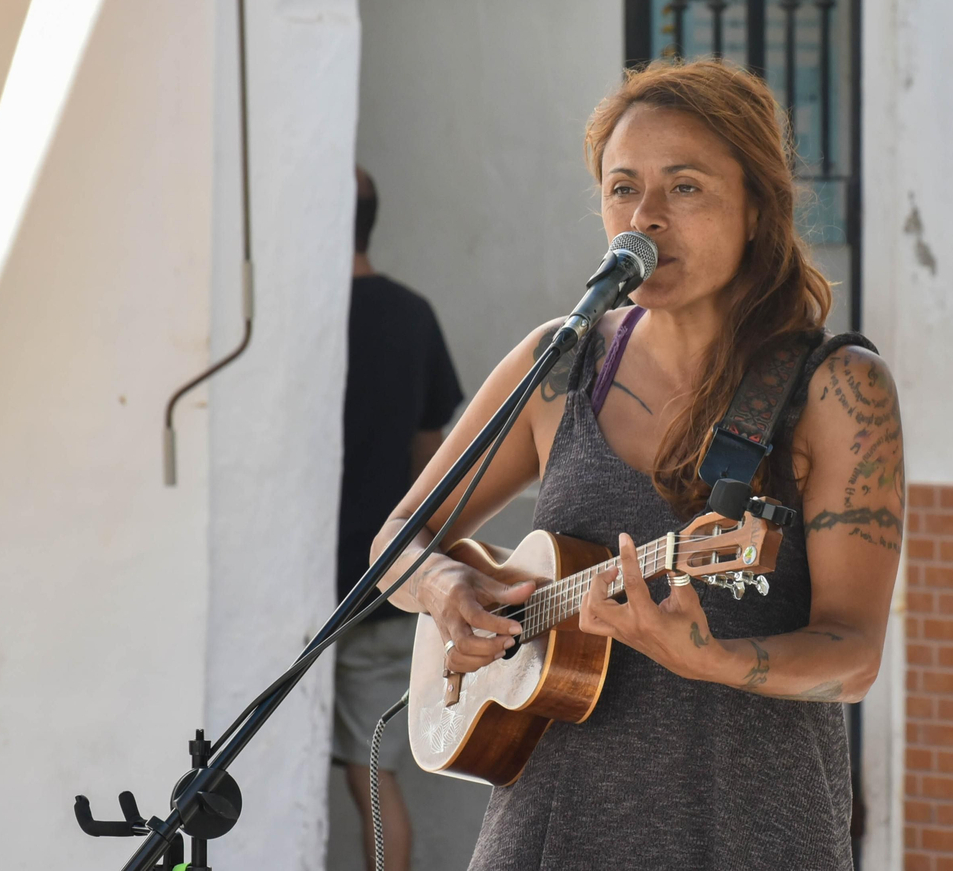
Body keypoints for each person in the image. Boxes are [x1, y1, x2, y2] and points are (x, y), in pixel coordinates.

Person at [370, 60, 902, 870]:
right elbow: (397, 539)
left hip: (747, 833)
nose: (644, 218)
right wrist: (446, 590)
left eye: (684, 188)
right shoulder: (559, 365)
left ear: (758, 208)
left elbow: (854, 655)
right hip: (547, 834)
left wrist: (714, 658)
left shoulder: (836, 389)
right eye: (623, 188)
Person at [334, 167, 464, 871]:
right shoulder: (411, 315)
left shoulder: (305, 320)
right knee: (373, 779)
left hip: (311, 594)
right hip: (385, 587)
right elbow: (432, 464)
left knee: (365, 782)